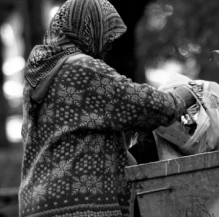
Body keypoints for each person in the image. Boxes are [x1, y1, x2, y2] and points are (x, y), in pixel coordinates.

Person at [19, 0, 196, 216]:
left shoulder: (41, 72)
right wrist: (181, 97)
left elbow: (75, 126)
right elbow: (143, 104)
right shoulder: (81, 67)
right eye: (106, 36)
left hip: (37, 201)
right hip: (80, 204)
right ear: (88, 29)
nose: (108, 45)